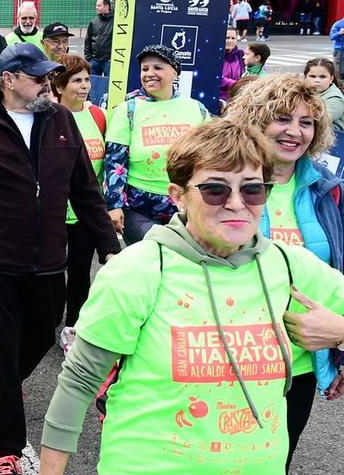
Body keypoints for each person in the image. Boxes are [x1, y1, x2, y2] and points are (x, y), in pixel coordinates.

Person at [39, 120, 344, 474]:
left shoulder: (290, 265)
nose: (236, 204)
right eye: (215, 189)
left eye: (252, 190)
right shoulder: (139, 269)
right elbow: (78, 383)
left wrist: (338, 329)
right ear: (178, 195)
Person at [0, 44, 119, 475]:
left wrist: (109, 249)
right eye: (39, 77)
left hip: (48, 261)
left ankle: (7, 385)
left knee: (42, 334)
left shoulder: (61, 121)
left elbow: (84, 189)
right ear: (9, 80)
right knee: (0, 356)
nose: (47, 84)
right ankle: (7, 449)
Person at [229, 74, 344, 464]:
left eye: (306, 122)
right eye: (282, 118)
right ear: (256, 119)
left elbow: (337, 275)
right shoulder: (223, 185)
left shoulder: (327, 189)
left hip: (300, 365)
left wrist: (340, 345)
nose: (295, 131)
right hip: (230, 357)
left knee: (277, 460)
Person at [105, 45, 211, 245]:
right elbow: (114, 162)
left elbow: (211, 158)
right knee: (153, 259)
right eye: (145, 69)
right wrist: (114, 204)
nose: (149, 74)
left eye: (158, 68)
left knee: (182, 265)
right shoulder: (128, 110)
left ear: (174, 72)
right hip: (139, 207)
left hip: (186, 206)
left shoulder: (196, 109)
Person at [48, 55, 109, 353]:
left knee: (81, 271)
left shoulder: (98, 115)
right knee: (52, 273)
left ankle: (73, 326)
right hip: (54, 213)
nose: (84, 86)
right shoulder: (47, 116)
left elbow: (109, 166)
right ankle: (46, 323)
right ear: (59, 86)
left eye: (86, 80)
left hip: (85, 212)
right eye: (76, 81)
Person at [303, 57, 344, 132]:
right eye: (312, 76)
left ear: (331, 79)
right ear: (305, 77)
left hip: (334, 138)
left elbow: (319, 119)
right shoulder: (304, 90)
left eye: (322, 77)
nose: (317, 80)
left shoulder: (335, 98)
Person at [84, 0, 113, 76]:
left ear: (107, 6)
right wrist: (89, 59)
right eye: (96, 5)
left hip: (109, 61)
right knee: (94, 84)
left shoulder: (115, 21)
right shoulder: (93, 22)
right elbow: (87, 40)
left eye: (99, 5)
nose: (96, 7)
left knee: (108, 84)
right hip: (94, 61)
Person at [220, 27, 244, 106]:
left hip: (236, 100)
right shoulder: (214, 56)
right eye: (227, 38)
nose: (229, 41)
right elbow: (216, 78)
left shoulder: (241, 54)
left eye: (233, 38)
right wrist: (237, 84)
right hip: (219, 100)